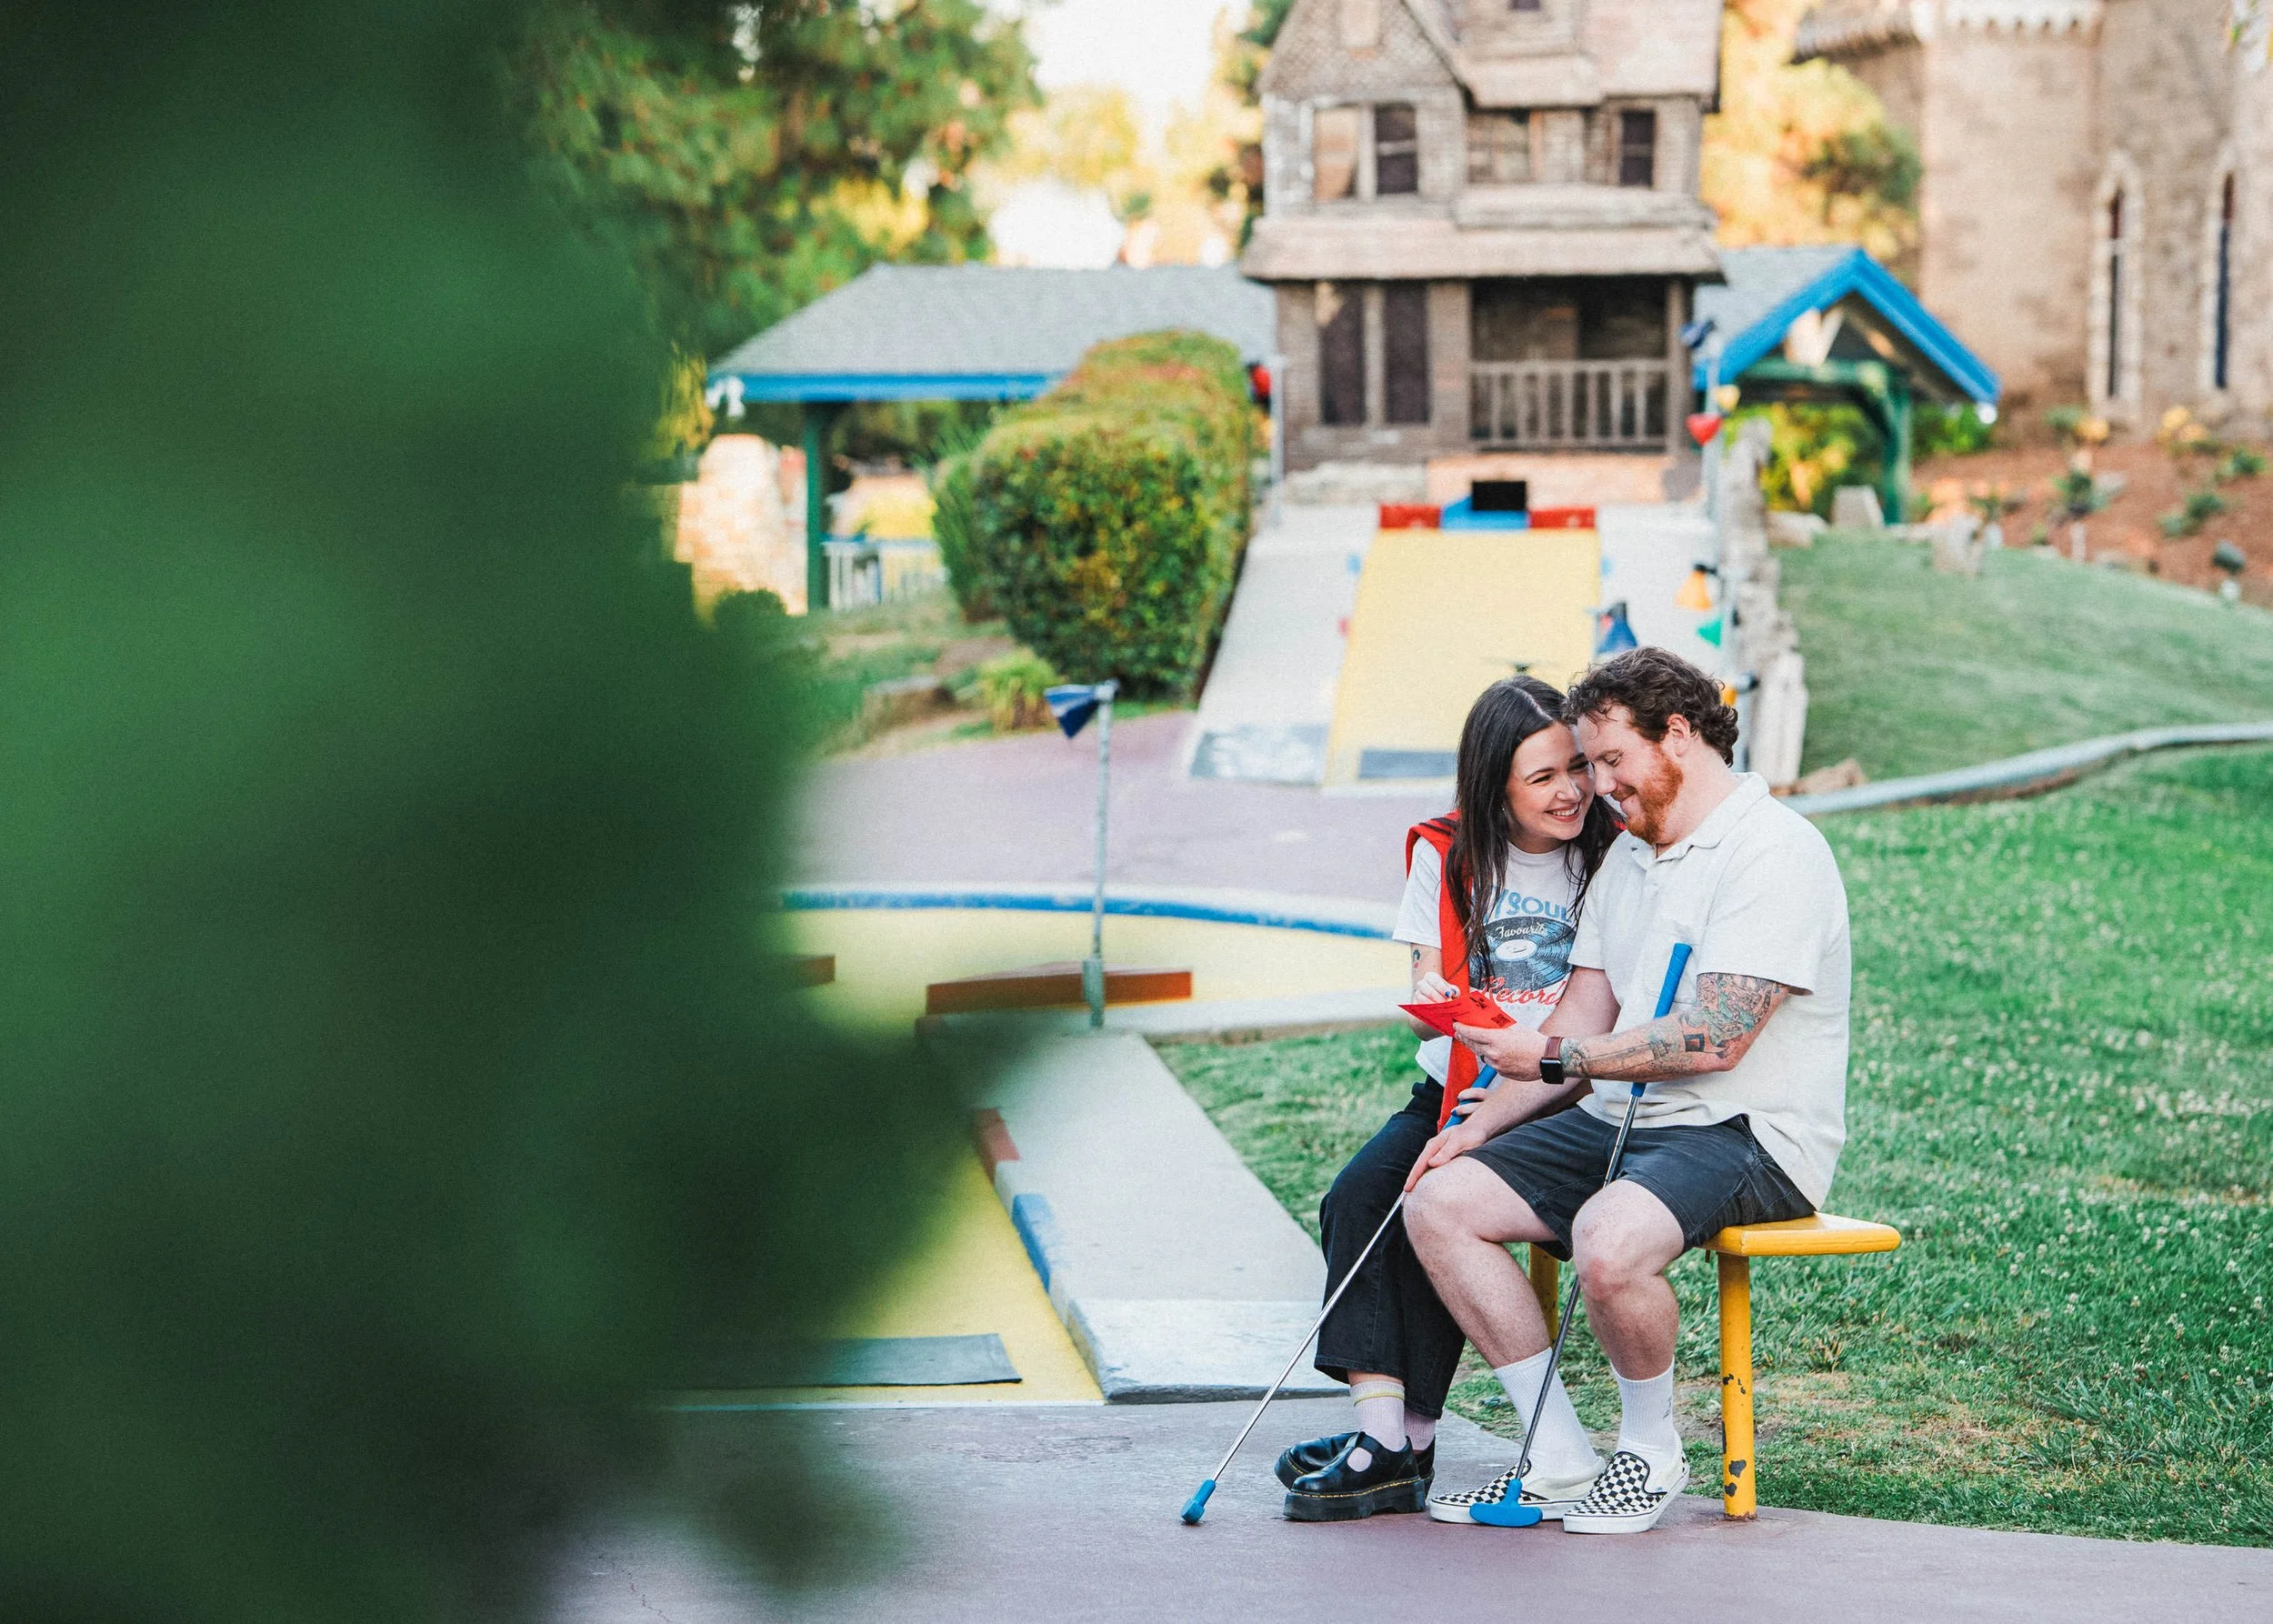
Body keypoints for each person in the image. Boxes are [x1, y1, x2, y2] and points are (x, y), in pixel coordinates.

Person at [1402, 647, 1851, 1535]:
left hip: (1747, 1130)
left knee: (1608, 1237)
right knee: (1438, 1202)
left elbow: (1714, 1036)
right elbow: (1576, 1019)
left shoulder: (1773, 851)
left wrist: (1564, 1059)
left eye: (1610, 760)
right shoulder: (1631, 859)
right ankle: (1556, 1453)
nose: (1598, 785)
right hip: (1623, 1118)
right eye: (1587, 765)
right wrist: (1474, 1126)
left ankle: (1648, 1453)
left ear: (1677, 734)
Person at [1277, 677, 1619, 1522]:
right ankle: (1384, 1433)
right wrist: (1449, 1003)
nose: (1570, 789)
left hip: (1560, 1095)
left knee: (1438, 1205)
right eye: (1542, 777)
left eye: (1577, 766)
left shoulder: (1613, 852)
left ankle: (1410, 1442)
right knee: (1362, 1196)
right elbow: (1426, 972)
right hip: (1458, 1083)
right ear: (1494, 781)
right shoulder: (1449, 850)